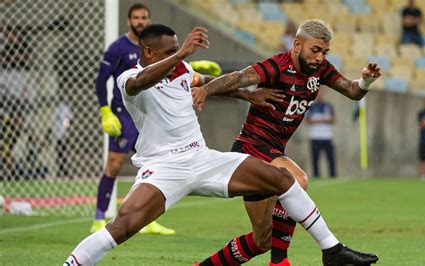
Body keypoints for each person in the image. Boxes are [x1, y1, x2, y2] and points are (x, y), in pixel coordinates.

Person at [63, 24, 379, 266]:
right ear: (148, 52)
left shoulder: (182, 70)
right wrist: (183, 52)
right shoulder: (130, 78)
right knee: (123, 226)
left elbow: (203, 82)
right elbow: (140, 82)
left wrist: (247, 94)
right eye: (169, 50)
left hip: (202, 158)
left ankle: (332, 250)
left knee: (284, 180)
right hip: (163, 167)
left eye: (178, 48)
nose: (178, 55)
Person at [192, 19, 381, 266]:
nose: (320, 58)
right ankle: (280, 262)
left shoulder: (320, 71)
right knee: (297, 181)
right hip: (252, 148)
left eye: (325, 52)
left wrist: (365, 80)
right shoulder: (276, 67)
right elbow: (240, 77)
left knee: (262, 240)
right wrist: (207, 90)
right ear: (297, 44)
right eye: (315, 50)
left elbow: (352, 91)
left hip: (272, 151)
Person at [92, 3, 174, 235]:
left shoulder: (155, 48)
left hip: (148, 114)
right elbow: (101, 80)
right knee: (115, 164)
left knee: (153, 166)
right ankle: (99, 218)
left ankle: (148, 220)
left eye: (144, 17)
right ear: (129, 21)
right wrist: (104, 111)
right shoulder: (118, 48)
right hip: (123, 114)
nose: (140, 21)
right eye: (136, 18)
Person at [306, 90, 337, 178]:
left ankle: (333, 176)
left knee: (331, 158)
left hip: (327, 137)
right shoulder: (311, 107)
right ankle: (316, 176)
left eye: (321, 95)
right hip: (315, 137)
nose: (319, 97)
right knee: (315, 159)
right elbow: (307, 121)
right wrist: (320, 120)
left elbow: (333, 120)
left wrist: (325, 120)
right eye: (318, 95)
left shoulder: (328, 106)